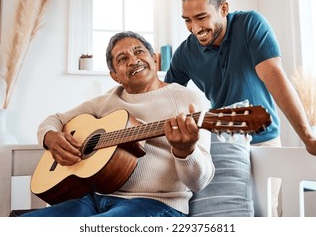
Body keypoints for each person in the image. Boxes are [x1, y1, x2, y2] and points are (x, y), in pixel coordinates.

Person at [164, 0, 316, 217]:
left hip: (264, 139)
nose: (195, 28)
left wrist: (307, 136)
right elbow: (165, 96)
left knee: (266, 214)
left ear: (224, 9)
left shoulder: (250, 24)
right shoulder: (185, 52)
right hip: (222, 144)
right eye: (187, 20)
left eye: (201, 17)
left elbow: (274, 77)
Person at [22, 31, 214, 217]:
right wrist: (50, 137)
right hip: (94, 199)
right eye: (122, 59)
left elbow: (199, 182)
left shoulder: (188, 100)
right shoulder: (107, 101)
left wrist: (185, 151)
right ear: (115, 75)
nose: (133, 60)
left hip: (156, 204)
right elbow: (54, 120)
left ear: (154, 59)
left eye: (139, 51)